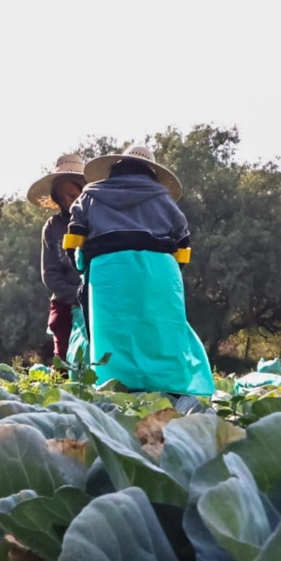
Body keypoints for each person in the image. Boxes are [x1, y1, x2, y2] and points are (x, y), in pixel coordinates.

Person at [63, 144, 214, 396]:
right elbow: (183, 247)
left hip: (108, 270)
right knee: (161, 330)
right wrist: (169, 275)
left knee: (113, 333)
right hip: (159, 270)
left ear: (115, 169)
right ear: (150, 172)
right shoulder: (163, 199)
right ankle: (170, 391)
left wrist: (82, 266)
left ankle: (115, 388)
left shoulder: (90, 196)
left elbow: (74, 238)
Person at [29, 154, 87, 361]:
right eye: (62, 198)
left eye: (72, 195)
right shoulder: (52, 228)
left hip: (98, 299)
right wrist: (77, 295)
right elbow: (50, 274)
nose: (68, 202)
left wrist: (90, 296)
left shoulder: (98, 220)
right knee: (62, 360)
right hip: (65, 302)